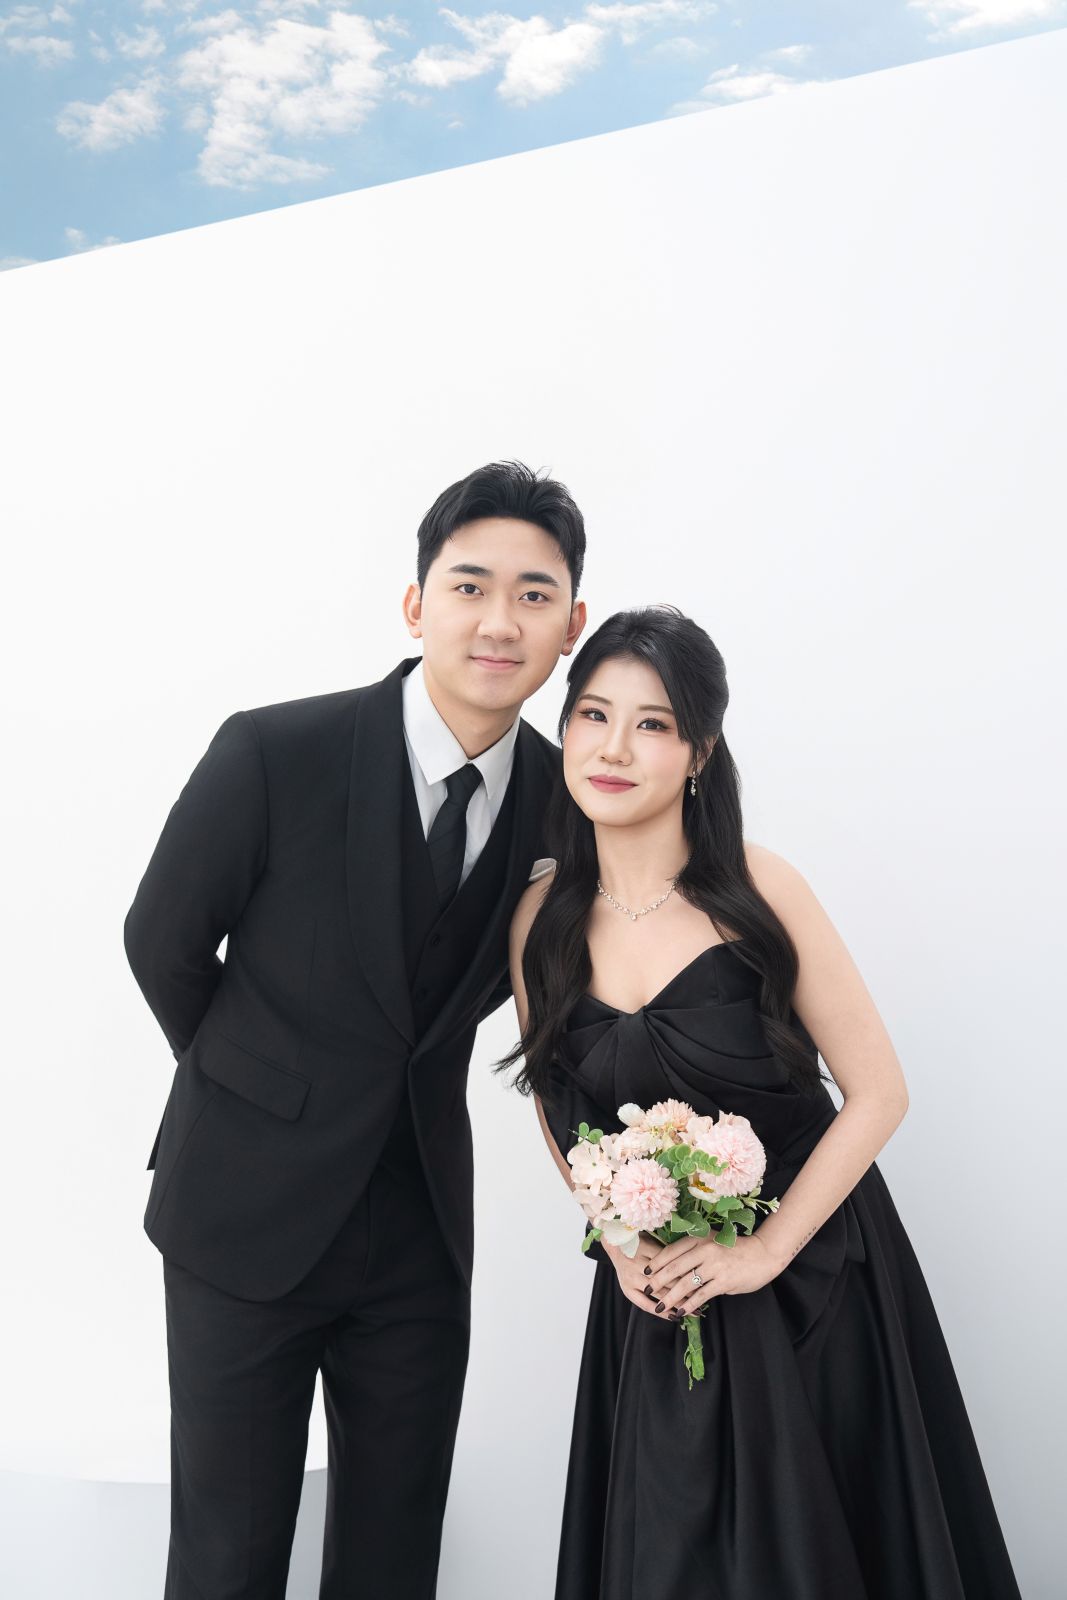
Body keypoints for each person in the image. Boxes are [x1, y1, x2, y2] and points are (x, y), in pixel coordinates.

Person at [123, 460, 587, 1599]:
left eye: (533, 595)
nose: (499, 620)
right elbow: (162, 941)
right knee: (227, 1557)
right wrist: (263, 1090)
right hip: (242, 1213)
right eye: (469, 585)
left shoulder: (565, 800)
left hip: (418, 1226)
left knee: (392, 1556)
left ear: (570, 627)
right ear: (415, 603)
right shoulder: (273, 752)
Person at [504, 605, 1022, 1600]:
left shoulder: (756, 885)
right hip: (657, 1291)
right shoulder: (539, 914)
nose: (613, 748)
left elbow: (877, 1092)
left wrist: (763, 1251)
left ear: (699, 751)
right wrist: (618, 1239)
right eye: (592, 715)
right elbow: (557, 1105)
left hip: (809, 1280)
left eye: (652, 724)